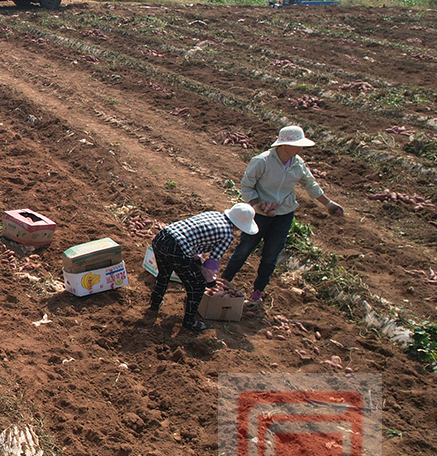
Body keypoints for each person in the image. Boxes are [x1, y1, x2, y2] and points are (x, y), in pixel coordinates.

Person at [221, 126, 346, 304]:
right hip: (260, 214)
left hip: (284, 214)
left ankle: (258, 292)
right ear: (285, 144)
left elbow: (311, 185)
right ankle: (224, 281)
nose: (301, 149)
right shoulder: (262, 161)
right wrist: (257, 204)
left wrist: (329, 204)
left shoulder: (298, 163)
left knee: (271, 255)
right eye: (297, 145)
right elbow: (247, 186)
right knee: (244, 249)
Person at [148, 204, 259, 332]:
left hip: (161, 237)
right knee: (198, 285)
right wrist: (210, 281)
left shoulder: (214, 214)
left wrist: (196, 263)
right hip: (177, 248)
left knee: (164, 273)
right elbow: (212, 262)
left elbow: (195, 238)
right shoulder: (228, 235)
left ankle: (154, 305)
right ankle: (190, 322)